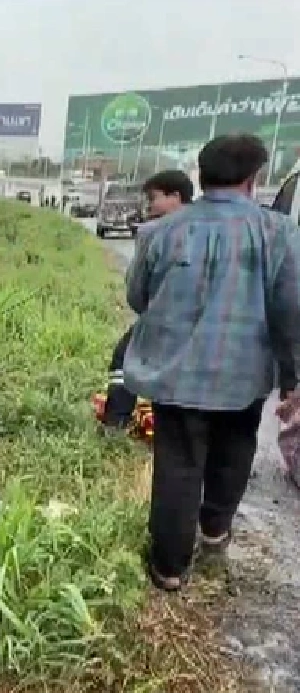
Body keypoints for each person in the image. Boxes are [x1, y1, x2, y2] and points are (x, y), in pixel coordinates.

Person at [125, 134, 300, 591]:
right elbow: (290, 314)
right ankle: (215, 531)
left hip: (174, 373)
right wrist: (292, 379)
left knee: (177, 466)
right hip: (243, 377)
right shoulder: (279, 233)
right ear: (253, 178)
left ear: (201, 176)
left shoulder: (159, 232)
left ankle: (168, 570)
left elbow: (138, 297)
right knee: (234, 453)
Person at [102, 169, 195, 429]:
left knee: (125, 357)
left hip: (166, 316)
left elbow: (136, 293)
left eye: (154, 198)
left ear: (175, 196)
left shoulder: (155, 231)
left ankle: (115, 422)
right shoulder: (223, 226)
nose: (150, 205)